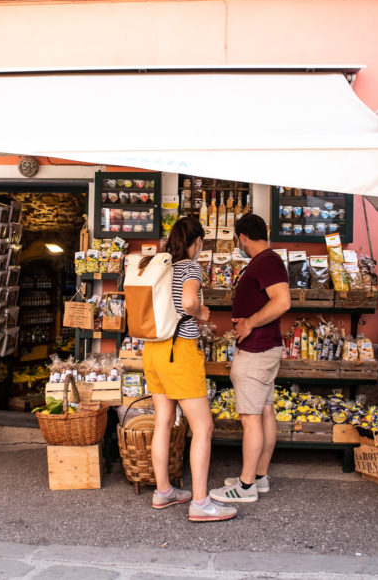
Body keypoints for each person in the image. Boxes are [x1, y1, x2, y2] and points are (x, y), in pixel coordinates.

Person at [143, 216, 237, 523]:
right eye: (201, 244)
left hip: (153, 349)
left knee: (163, 421)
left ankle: (164, 491)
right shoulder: (189, 267)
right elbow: (187, 302)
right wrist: (202, 310)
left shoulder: (158, 263)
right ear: (197, 242)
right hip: (179, 353)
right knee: (203, 428)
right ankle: (200, 502)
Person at [210, 213, 291, 504]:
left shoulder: (267, 260)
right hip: (263, 348)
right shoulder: (265, 261)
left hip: (257, 349)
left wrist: (248, 323)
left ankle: (245, 487)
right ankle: (259, 476)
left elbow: (282, 301)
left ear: (242, 237)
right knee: (264, 412)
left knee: (251, 419)